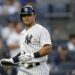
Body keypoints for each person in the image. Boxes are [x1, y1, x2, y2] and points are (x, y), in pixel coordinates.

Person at [0, 5, 52, 75]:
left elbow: (48, 48)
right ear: (21, 18)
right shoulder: (23, 33)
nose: (26, 17)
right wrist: (11, 60)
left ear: (34, 16)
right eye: (24, 15)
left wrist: (32, 55)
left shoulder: (41, 30)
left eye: (29, 15)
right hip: (23, 69)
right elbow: (23, 52)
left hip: (38, 69)